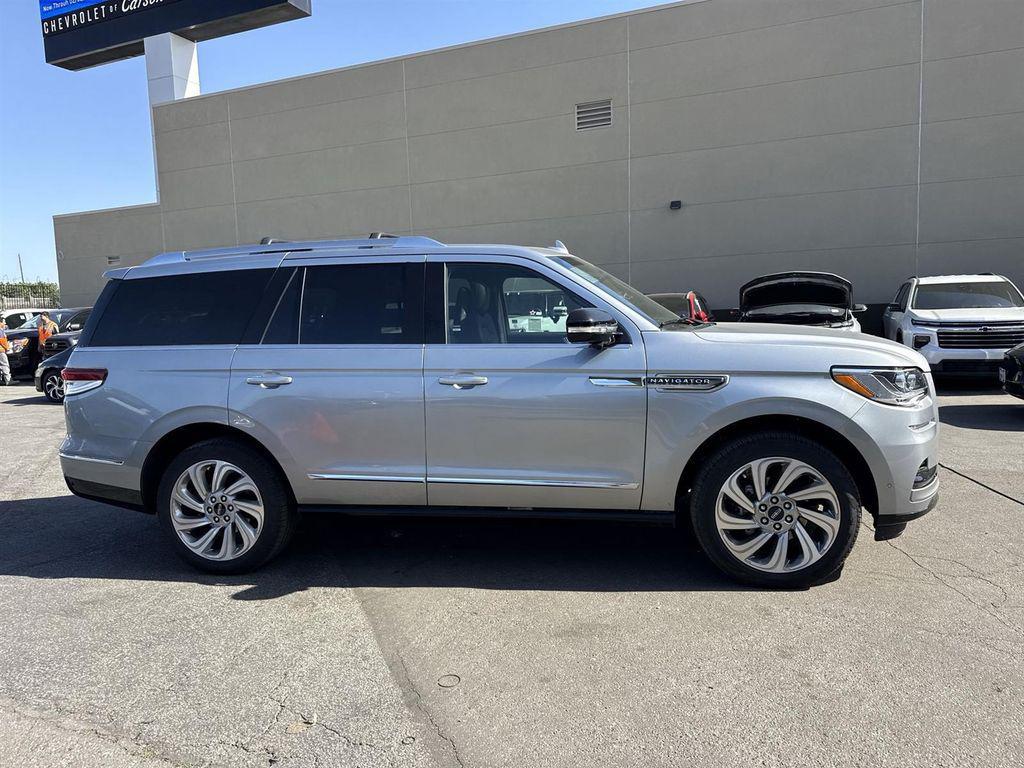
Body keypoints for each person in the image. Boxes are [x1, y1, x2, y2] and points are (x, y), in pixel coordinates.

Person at [0, 318, 11, 386]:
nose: (5, 324)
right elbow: (2, 341)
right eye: (4, 322)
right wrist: (7, 348)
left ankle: (1, 380)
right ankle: (8, 380)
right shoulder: (0, 331)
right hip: (1, 350)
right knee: (4, 365)